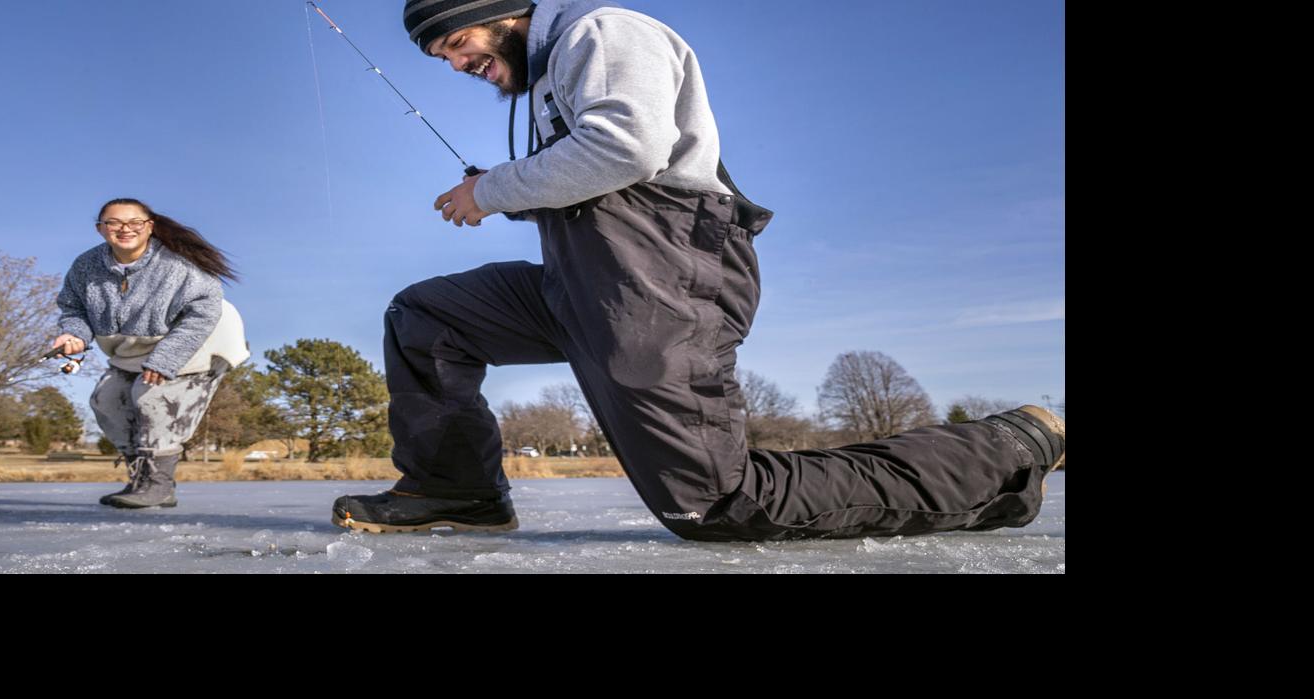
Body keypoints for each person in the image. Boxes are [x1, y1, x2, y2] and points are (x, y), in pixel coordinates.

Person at [331, 0, 1065, 540]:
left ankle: (1003, 448)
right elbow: (598, 174)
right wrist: (513, 190)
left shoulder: (600, 30)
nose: (458, 66)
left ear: (501, 13)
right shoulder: (553, 73)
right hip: (582, 281)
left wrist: (491, 191)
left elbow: (626, 149)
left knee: (717, 505)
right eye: (443, 59)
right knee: (427, 316)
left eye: (458, 44)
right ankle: (457, 489)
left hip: (663, 277)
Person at [55, 198, 250, 509]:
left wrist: (166, 359)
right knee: (106, 400)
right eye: (114, 223)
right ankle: (140, 480)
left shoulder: (177, 264)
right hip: (134, 347)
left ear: (149, 227)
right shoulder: (86, 266)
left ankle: (160, 485)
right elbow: (73, 307)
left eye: (135, 222)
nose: (125, 229)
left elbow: (204, 311)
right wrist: (75, 334)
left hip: (200, 340)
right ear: (100, 229)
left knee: (152, 398)